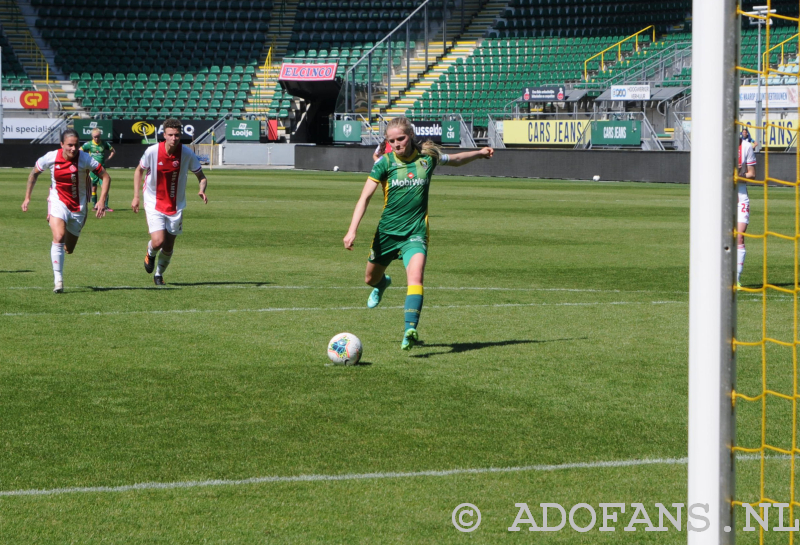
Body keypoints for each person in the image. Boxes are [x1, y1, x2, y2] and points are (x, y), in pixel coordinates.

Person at [343, 116, 493, 350]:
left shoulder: (427, 159)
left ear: (411, 136)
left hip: (415, 231)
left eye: (401, 138)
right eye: (392, 141)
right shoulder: (384, 163)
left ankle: (409, 330)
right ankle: (382, 285)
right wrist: (352, 230)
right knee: (370, 279)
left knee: (416, 278)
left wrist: (479, 153)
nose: (397, 144)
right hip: (387, 233)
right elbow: (365, 197)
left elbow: (455, 159)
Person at [21, 129, 111, 293]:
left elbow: (106, 177)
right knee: (59, 236)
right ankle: (58, 281)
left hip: (79, 207)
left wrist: (101, 200)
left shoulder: (84, 159)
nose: (73, 149)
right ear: (62, 144)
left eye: (76, 145)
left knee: (68, 249)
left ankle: (58, 252)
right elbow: (33, 174)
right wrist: (27, 197)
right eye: (69, 145)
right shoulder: (50, 157)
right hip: (58, 201)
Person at [132, 118, 208, 286]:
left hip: (176, 204)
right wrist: (136, 196)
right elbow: (139, 171)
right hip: (153, 201)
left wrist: (202, 189)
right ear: (164, 135)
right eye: (171, 135)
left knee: (169, 244)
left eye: (177, 135)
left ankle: (159, 274)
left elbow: (201, 177)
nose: (174, 138)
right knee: (158, 241)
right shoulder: (152, 151)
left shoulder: (187, 154)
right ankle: (150, 253)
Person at [738, 134, 757, 288]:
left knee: (739, 236)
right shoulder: (716, 145)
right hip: (721, 196)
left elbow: (752, 174)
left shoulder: (746, 146)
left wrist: (738, 177)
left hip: (740, 195)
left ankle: (736, 279)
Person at [81, 128, 115, 211]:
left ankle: (105, 206)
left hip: (102, 170)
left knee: (104, 186)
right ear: (92, 136)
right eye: (95, 137)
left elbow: (113, 151)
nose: (96, 138)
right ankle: (95, 206)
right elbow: (80, 151)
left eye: (98, 136)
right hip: (92, 170)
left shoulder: (104, 144)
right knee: (93, 187)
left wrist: (107, 159)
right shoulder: (88, 144)